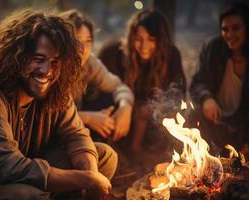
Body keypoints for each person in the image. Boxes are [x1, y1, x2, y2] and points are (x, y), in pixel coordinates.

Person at [0, 9, 117, 200]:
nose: (46, 71)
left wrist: (90, 174)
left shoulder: (54, 85)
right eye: (38, 59)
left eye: (55, 62)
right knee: (28, 195)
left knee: (104, 157)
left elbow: (76, 135)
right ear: (17, 56)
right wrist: (83, 180)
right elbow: (6, 166)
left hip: (27, 170)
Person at [98, 9, 186, 155]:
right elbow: (104, 92)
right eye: (139, 39)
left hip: (153, 117)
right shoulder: (114, 53)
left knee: (147, 112)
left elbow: (179, 93)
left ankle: (140, 151)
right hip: (120, 110)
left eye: (151, 39)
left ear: (161, 40)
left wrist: (156, 106)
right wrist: (125, 106)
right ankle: (117, 151)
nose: (144, 46)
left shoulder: (171, 55)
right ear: (132, 38)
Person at [59, 9, 134, 142]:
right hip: (52, 136)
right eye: (77, 40)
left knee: (110, 102)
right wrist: (89, 118)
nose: (83, 48)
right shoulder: (52, 67)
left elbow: (118, 86)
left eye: (88, 41)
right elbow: (50, 117)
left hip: (74, 125)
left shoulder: (89, 63)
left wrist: (125, 106)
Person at [190, 3, 249, 150]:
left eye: (236, 28)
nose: (229, 35)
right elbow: (198, 83)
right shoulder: (214, 48)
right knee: (193, 114)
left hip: (243, 128)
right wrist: (207, 98)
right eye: (225, 29)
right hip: (215, 122)